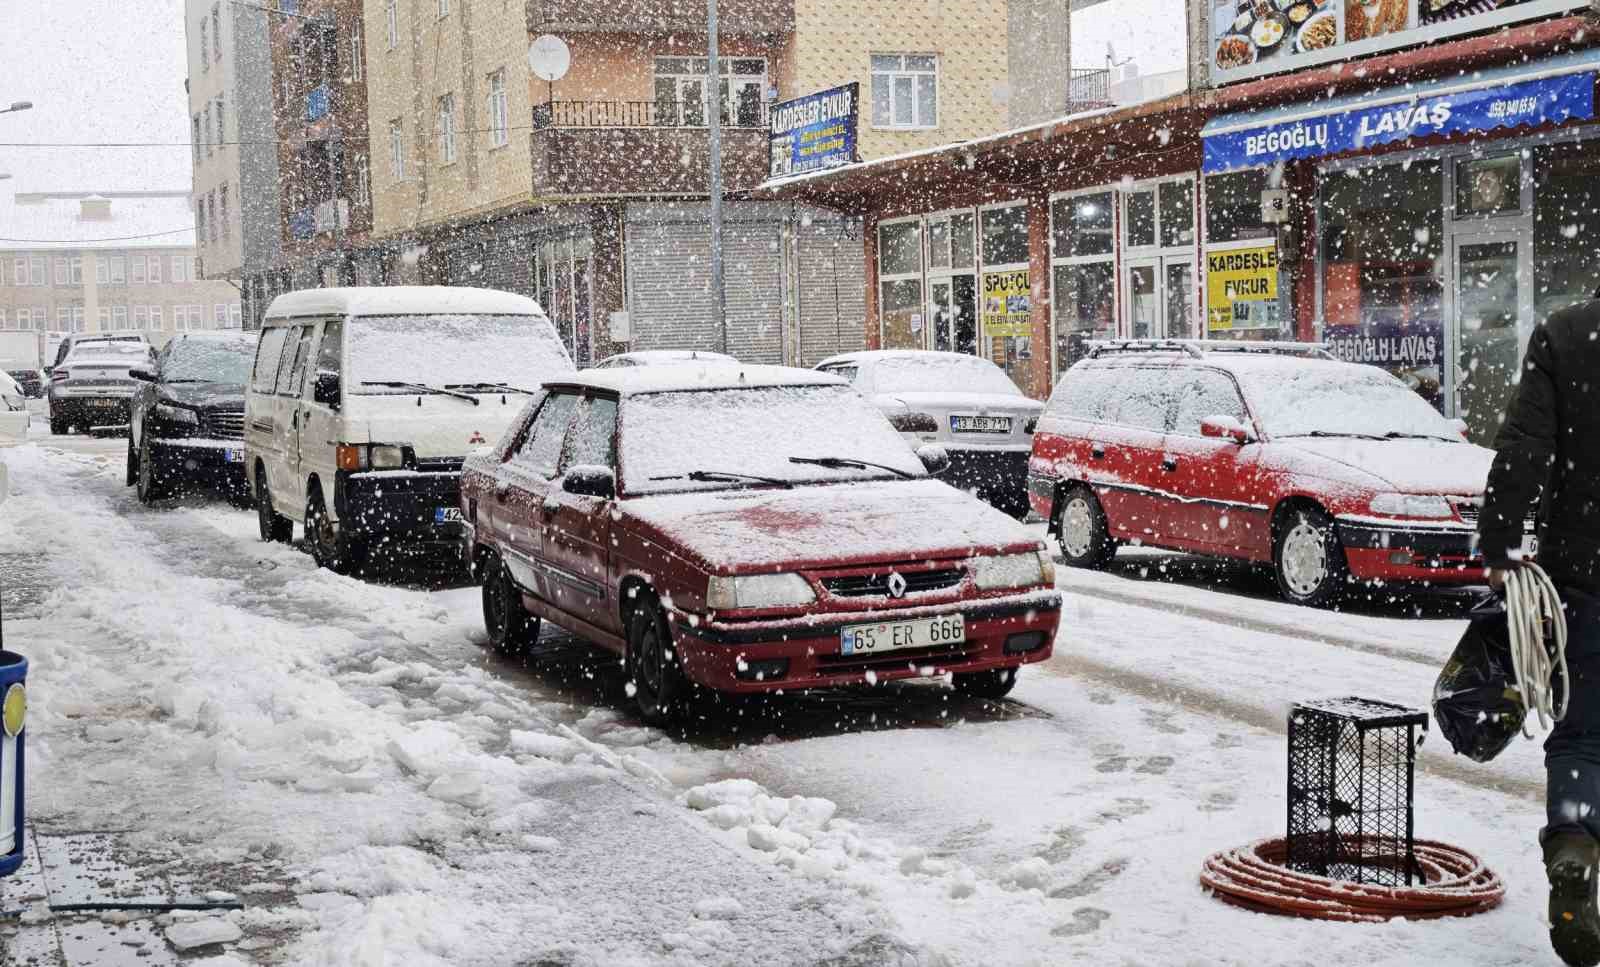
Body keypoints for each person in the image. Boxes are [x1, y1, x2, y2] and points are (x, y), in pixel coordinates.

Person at [1479, 296, 1600, 967]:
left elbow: (1525, 448)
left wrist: (1499, 546)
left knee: (1582, 730)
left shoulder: (1567, 332)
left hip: (1583, 572)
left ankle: (1576, 845)